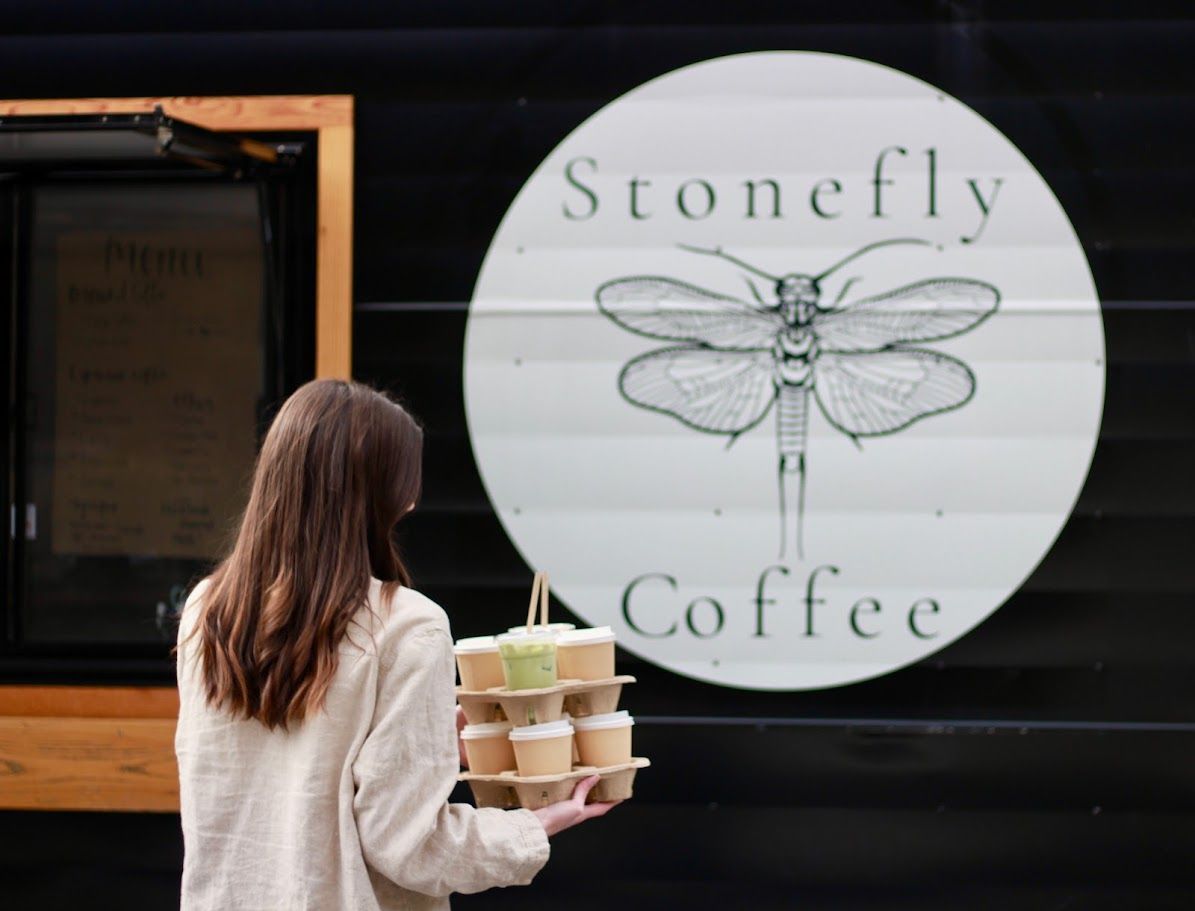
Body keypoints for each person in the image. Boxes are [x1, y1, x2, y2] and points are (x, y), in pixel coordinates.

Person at [175, 379, 618, 910]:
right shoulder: (410, 626)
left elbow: (277, 771)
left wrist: (425, 755)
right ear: (383, 493)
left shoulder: (209, 608)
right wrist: (531, 828)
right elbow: (407, 845)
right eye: (407, 480)